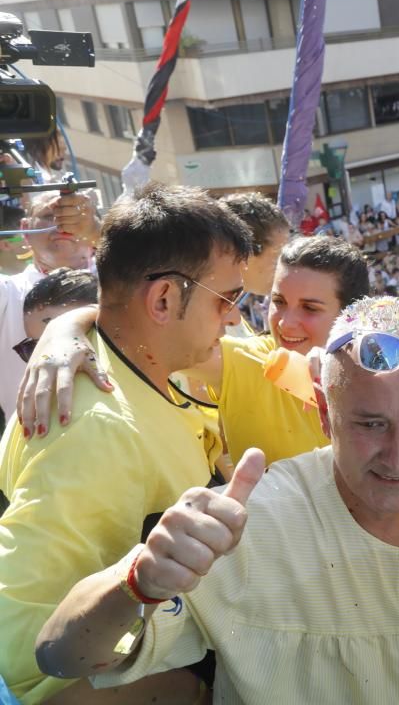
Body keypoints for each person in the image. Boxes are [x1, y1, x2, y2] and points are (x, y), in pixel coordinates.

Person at [35, 297, 399, 704]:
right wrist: (138, 583)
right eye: (370, 424)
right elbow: (64, 656)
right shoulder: (244, 531)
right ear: (323, 411)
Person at [0, 183, 252, 704]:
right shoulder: (95, 430)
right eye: (227, 299)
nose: (233, 318)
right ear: (162, 299)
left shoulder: (143, 359)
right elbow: (30, 665)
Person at [22, 235, 370, 466]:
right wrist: (63, 330)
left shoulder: (390, 375)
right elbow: (140, 318)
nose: (286, 323)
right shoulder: (248, 362)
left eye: (309, 308)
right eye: (278, 302)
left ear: (351, 314)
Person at [0, 190, 98, 421]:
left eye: (75, 215)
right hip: (35, 449)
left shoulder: (124, 283)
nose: (62, 224)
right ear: (25, 229)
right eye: (48, 215)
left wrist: (98, 232)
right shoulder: (8, 292)